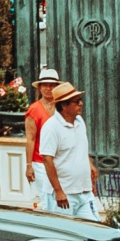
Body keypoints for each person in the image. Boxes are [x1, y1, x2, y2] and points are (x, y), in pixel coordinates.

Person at [37, 84, 99, 219]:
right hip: (64, 195)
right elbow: (47, 159)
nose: (81, 104)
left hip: (84, 192)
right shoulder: (51, 127)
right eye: (76, 102)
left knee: (95, 230)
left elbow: (81, 149)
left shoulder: (79, 122)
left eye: (80, 100)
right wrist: (58, 191)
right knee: (63, 236)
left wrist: (91, 169)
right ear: (64, 105)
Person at [25, 66, 62, 157]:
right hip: (40, 161)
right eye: (45, 85)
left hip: (61, 160)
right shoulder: (34, 109)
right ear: (40, 88)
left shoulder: (63, 107)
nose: (48, 88)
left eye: (51, 85)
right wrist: (29, 166)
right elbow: (30, 139)